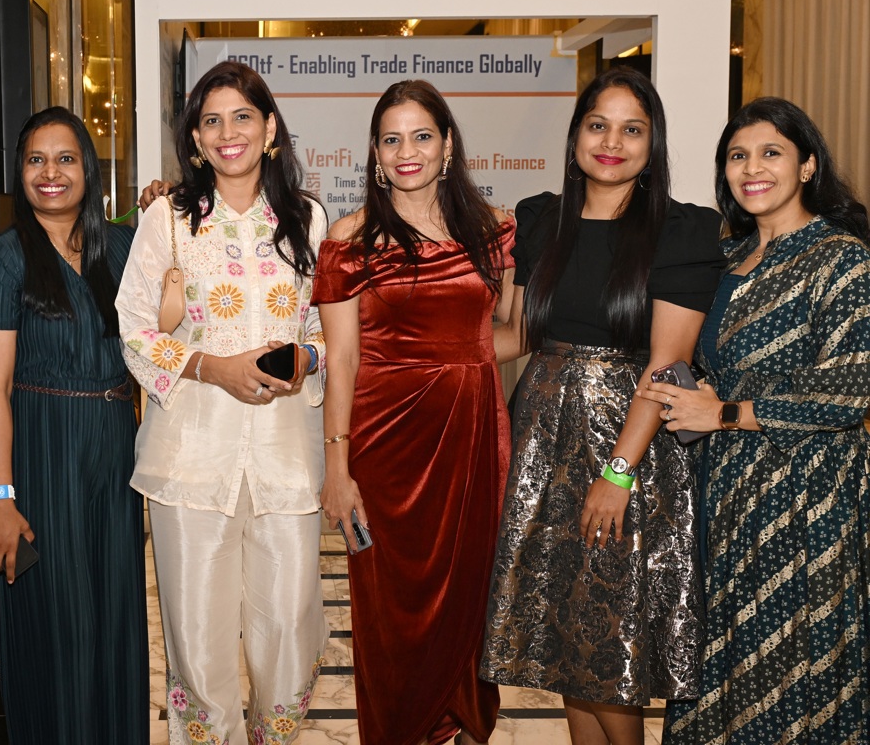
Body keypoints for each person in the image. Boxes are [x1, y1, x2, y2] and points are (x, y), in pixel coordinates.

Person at [481, 67, 725, 745]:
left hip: (627, 446)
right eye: (598, 125)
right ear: (575, 135)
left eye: (631, 130)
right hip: (542, 442)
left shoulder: (681, 231)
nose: (612, 143)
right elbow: (517, 334)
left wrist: (617, 474)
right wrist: (402, 356)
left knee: (610, 635)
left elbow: (665, 366)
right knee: (567, 635)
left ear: (653, 144)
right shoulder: (541, 219)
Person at [642, 97, 870, 744]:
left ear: (807, 166)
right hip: (728, 493)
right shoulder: (728, 258)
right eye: (738, 156)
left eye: (772, 152)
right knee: (726, 663)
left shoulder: (840, 259)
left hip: (806, 500)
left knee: (793, 667)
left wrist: (724, 412)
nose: (752, 168)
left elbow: (849, 390)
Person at [116, 60, 327, 745]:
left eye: (242, 117)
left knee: (288, 632)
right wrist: (213, 368)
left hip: (287, 460)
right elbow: (134, 328)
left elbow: (327, 330)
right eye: (211, 120)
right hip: (190, 461)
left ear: (270, 128)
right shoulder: (169, 218)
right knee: (198, 645)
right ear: (196, 138)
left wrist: (305, 359)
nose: (227, 132)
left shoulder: (308, 218)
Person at [312, 80, 515, 745]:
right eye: (392, 139)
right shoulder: (350, 239)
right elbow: (342, 360)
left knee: (472, 605)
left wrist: (464, 361)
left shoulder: (494, 230)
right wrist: (337, 469)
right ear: (374, 153)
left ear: (447, 144)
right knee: (390, 615)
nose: (408, 151)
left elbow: (510, 332)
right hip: (384, 449)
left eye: (422, 136)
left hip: (472, 441)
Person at [0, 106, 147, 744]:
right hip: (43, 452)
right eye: (36, 160)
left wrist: (162, 208)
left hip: (115, 453)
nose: (51, 173)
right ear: (19, 173)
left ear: (89, 170)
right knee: (59, 621)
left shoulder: (123, 248)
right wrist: (0, 497)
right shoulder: (3, 260)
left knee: (117, 617)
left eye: (66, 159)